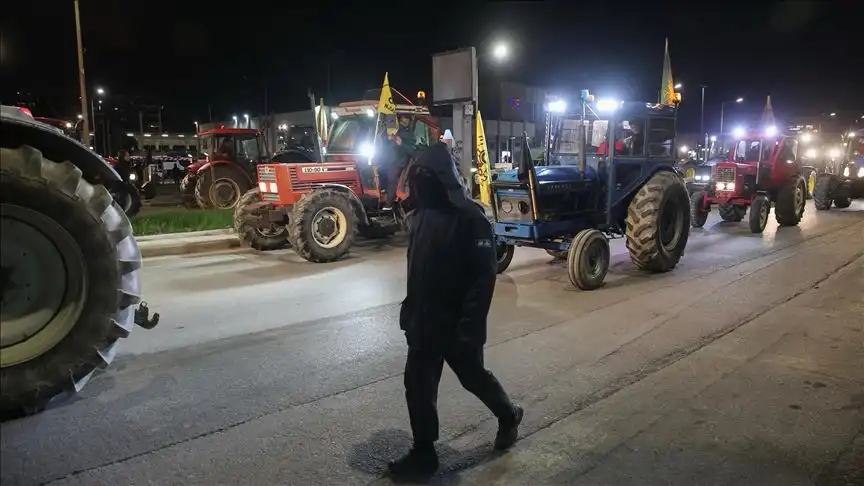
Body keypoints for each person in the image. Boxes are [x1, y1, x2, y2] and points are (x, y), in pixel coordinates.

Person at [389, 141, 523, 482]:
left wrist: (471, 326)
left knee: (472, 377)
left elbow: (483, 277)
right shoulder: (419, 217)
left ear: (440, 178)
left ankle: (508, 416)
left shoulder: (470, 217)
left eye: (423, 176)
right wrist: (410, 308)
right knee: (417, 383)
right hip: (424, 320)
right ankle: (424, 452)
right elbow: (416, 268)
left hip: (456, 322)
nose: (416, 183)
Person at [383, 114, 417, 209]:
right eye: (402, 122)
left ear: (409, 123)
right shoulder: (391, 131)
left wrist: (401, 144)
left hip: (398, 162)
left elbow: (411, 150)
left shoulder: (409, 135)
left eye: (406, 123)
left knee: (391, 179)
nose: (403, 124)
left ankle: (389, 203)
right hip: (387, 159)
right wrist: (387, 138)